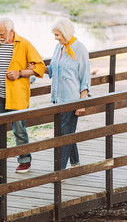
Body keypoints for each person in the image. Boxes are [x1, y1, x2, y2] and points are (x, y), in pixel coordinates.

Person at [0, 17, 46, 177]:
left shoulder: (24, 44)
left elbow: (41, 67)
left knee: (19, 129)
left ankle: (24, 160)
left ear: (11, 31)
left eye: (1, 34)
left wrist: (20, 73)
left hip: (17, 96)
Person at [44, 17, 90, 170]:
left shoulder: (80, 49)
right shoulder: (59, 47)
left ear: (66, 32)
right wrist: (38, 68)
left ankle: (60, 170)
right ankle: (75, 163)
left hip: (72, 99)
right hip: (58, 98)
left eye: (58, 35)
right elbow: (53, 69)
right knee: (66, 132)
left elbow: (85, 78)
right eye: (55, 35)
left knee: (63, 135)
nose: (56, 38)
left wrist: (82, 103)